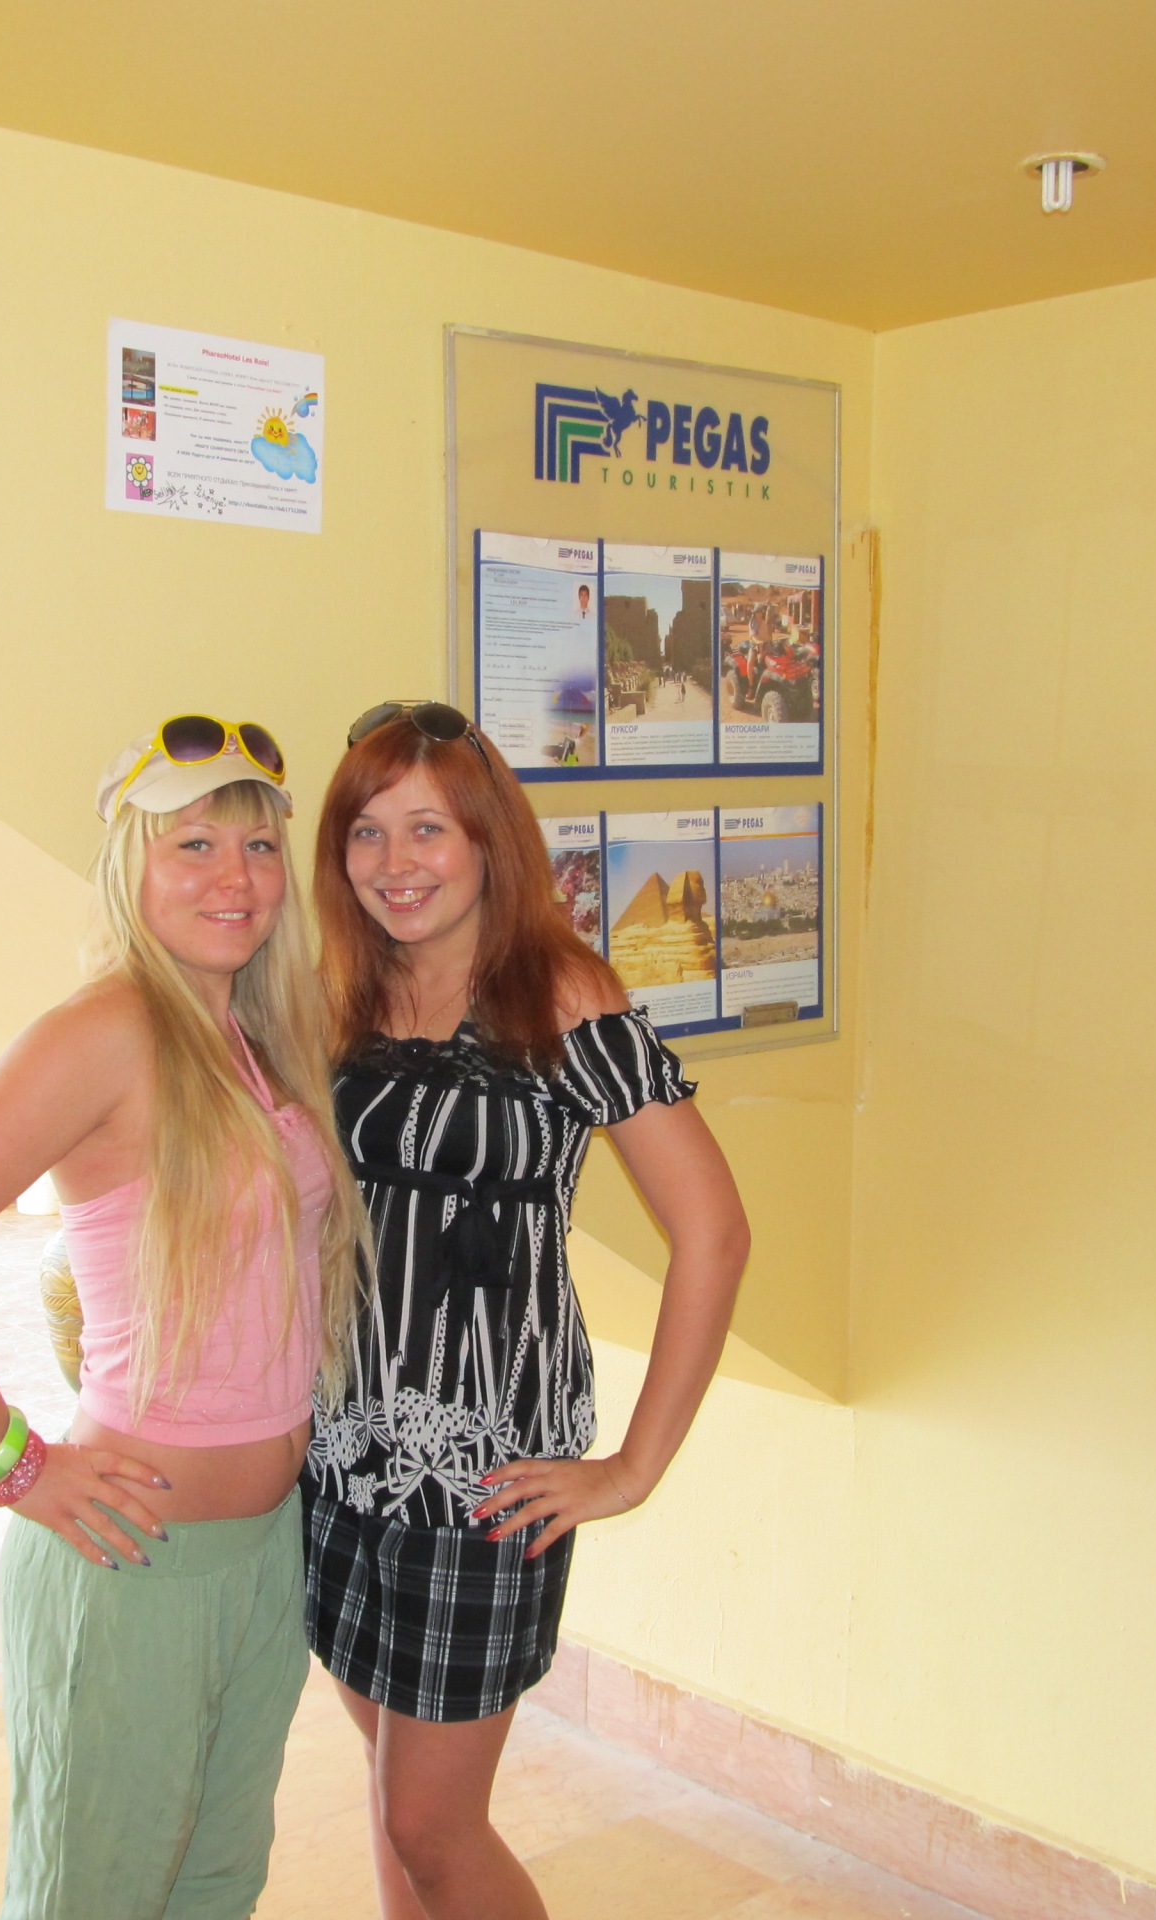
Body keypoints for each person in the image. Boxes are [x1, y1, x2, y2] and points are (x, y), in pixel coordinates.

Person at [0, 715, 366, 1920]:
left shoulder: (254, 1036)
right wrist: (8, 1461)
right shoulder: (104, 1031)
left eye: (256, 846)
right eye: (194, 844)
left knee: (215, 1884)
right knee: (93, 1895)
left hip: (260, 1554)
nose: (234, 878)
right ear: (131, 866)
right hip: (132, 1558)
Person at [302, 700, 751, 1920]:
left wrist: (632, 1469)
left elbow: (713, 1231)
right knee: (390, 1792)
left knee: (429, 1825)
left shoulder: (557, 993)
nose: (394, 862)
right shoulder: (344, 990)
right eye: (365, 832)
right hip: (338, 1454)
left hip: (486, 1473)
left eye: (426, 829)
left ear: (488, 840)